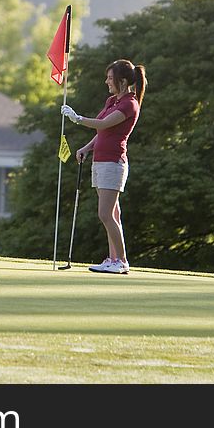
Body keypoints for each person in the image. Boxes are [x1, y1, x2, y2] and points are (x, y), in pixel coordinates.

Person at [61, 59, 147, 274]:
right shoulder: (112, 101)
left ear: (123, 80)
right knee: (113, 215)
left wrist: (77, 118)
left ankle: (122, 262)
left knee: (105, 214)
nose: (106, 81)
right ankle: (113, 259)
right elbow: (102, 133)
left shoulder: (130, 104)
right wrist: (86, 148)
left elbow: (103, 124)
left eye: (110, 78)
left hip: (113, 162)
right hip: (100, 161)